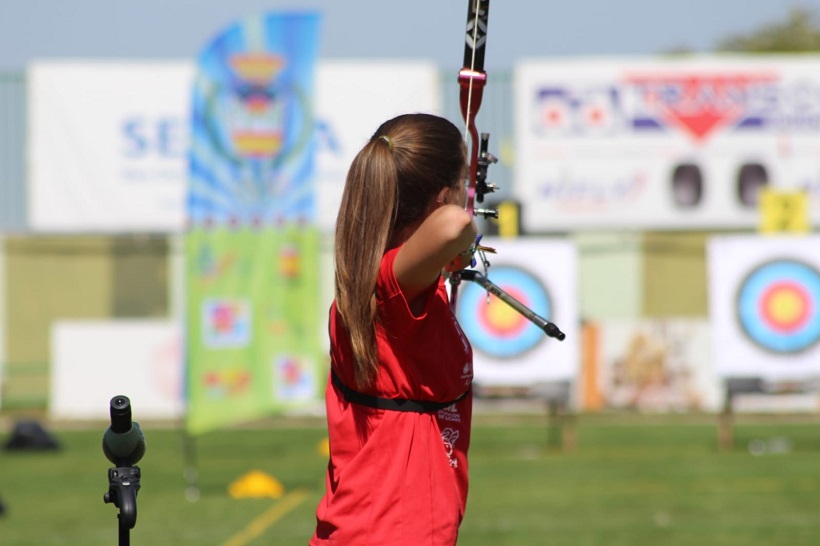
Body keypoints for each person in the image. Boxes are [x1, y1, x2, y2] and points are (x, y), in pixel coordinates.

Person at [310, 113, 477, 546]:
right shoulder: (388, 285)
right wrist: (461, 241)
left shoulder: (388, 285)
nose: (468, 199)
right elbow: (455, 226)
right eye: (463, 185)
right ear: (443, 197)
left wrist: (444, 262)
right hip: (390, 532)